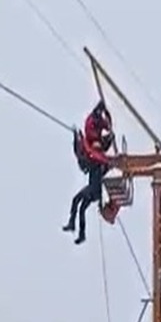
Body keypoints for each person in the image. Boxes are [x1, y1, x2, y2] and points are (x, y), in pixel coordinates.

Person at [63, 101, 114, 245]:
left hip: (94, 190)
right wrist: (76, 138)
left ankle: (74, 226)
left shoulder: (97, 157)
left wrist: (80, 139)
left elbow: (88, 151)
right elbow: (81, 152)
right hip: (94, 190)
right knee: (81, 208)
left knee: (77, 201)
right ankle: (80, 232)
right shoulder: (95, 157)